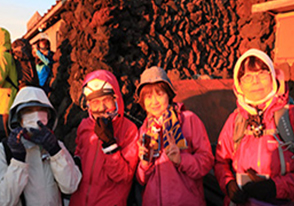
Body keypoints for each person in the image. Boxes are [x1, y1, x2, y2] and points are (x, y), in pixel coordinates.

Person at [214, 48, 294, 205]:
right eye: (247, 77)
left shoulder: (290, 116)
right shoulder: (235, 120)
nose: (255, 81)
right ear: (239, 85)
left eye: (262, 74)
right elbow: (221, 161)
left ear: (273, 77)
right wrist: (228, 184)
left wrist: (276, 187)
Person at [136, 66, 214, 205]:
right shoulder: (145, 129)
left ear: (169, 95)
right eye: (148, 97)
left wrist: (181, 160)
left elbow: (206, 161)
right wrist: (145, 164)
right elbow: (142, 179)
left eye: (159, 94)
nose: (154, 102)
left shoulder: (189, 120)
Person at [0, 86, 82, 205]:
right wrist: (18, 160)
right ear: (19, 118)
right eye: (28, 111)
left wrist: (55, 152)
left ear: (48, 116)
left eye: (40, 110)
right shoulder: (5, 150)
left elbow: (71, 186)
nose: (36, 115)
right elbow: (4, 200)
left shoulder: (56, 145)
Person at [69, 70, 139, 206]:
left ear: (116, 98)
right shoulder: (85, 126)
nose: (102, 108)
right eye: (95, 102)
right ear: (88, 105)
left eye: (107, 100)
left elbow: (124, 177)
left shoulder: (128, 130)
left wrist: (110, 145)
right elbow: (79, 153)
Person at [0, 27, 18, 139]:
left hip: (5, 103)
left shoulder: (2, 57)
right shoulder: (8, 55)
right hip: (8, 99)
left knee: (5, 136)